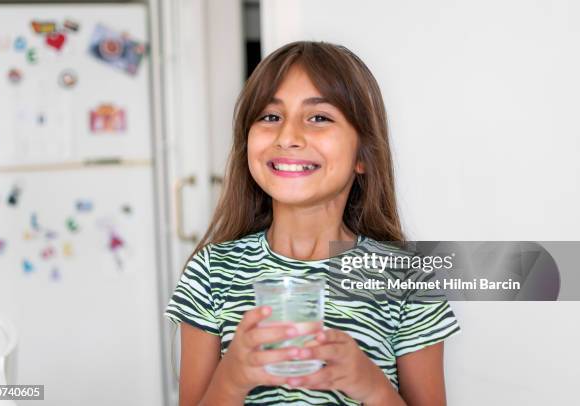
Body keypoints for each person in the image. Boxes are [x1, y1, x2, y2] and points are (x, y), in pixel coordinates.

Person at [164, 40, 461, 405]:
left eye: (319, 117)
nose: (288, 137)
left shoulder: (407, 278)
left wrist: (371, 384)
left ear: (363, 156)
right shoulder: (211, 272)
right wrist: (232, 378)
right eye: (270, 117)